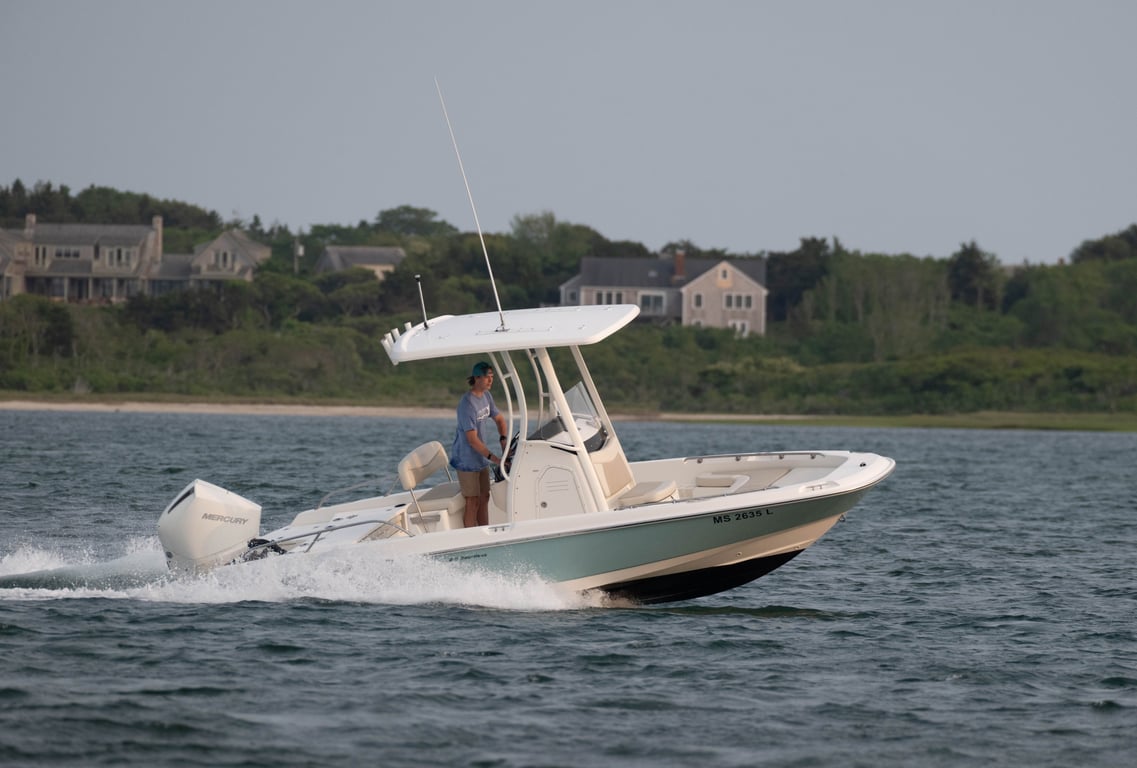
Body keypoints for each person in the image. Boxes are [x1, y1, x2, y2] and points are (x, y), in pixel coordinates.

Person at [450, 361, 508, 528]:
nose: (490, 381)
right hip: (466, 461)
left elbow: (500, 419)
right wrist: (495, 458)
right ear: (476, 378)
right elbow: (472, 440)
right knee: (472, 501)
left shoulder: (486, 396)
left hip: (481, 459)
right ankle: (470, 538)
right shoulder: (467, 404)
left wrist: (503, 439)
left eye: (492, 377)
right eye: (487, 377)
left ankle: (485, 531)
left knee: (484, 497)